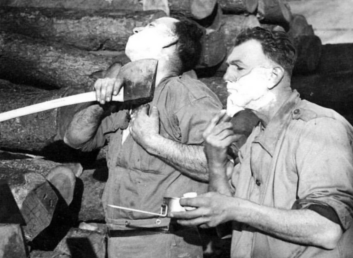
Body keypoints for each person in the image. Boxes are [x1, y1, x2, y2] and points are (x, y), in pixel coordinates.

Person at [172, 27, 353, 258]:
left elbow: (327, 230)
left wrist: (235, 208)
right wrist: (215, 163)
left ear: (273, 76)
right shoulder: (254, 138)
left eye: (239, 67)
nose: (227, 77)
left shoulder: (319, 127)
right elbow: (228, 227)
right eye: (228, 67)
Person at [61, 17, 222, 258]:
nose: (136, 28)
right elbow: (74, 139)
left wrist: (153, 142)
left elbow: (218, 165)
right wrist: (100, 103)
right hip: (118, 240)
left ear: (172, 42)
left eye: (151, 26)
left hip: (166, 242)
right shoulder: (126, 99)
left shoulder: (188, 95)